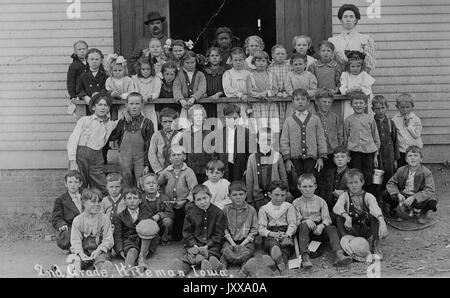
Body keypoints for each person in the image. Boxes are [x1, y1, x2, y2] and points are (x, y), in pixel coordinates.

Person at [293, 174, 352, 268]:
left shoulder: (321, 201)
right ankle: (305, 258)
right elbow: (295, 220)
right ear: (299, 187)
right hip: (304, 232)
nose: (307, 189)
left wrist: (322, 225)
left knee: (332, 228)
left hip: (319, 229)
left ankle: (339, 254)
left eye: (310, 186)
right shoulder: (296, 203)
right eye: (304, 186)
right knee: (303, 226)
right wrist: (305, 220)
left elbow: (327, 218)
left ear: (315, 187)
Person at [67, 92, 118, 195]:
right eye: (100, 105)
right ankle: (79, 209)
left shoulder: (110, 124)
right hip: (81, 155)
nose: (103, 108)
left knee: (101, 186)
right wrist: (72, 160)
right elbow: (73, 140)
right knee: (79, 184)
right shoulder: (85, 120)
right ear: (94, 107)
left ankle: (102, 208)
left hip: (97, 156)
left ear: (108, 108)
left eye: (105, 105)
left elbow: (120, 121)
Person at [280, 88, 327, 197]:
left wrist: (321, 157)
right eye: (297, 99)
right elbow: (284, 140)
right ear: (293, 102)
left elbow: (321, 138)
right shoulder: (289, 120)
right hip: (295, 159)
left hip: (312, 158)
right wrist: (287, 159)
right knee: (297, 183)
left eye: (303, 99)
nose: (300, 101)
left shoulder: (315, 119)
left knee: (311, 182)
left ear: (308, 102)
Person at [171, 185, 227, 276]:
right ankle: (180, 272)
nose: (203, 202)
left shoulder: (218, 213)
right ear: (194, 202)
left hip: (211, 244)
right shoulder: (191, 214)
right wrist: (194, 245)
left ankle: (216, 269)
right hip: (195, 244)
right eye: (199, 200)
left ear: (210, 197)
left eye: (205, 198)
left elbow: (219, 234)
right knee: (190, 257)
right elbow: (187, 233)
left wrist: (208, 246)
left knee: (212, 255)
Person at [333, 169, 388, 259]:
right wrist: (346, 217)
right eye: (350, 183)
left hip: (364, 229)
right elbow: (337, 207)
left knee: (375, 217)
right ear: (347, 184)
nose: (354, 185)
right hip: (350, 229)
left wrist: (382, 222)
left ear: (362, 182)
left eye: (356, 182)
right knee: (339, 217)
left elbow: (375, 208)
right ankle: (346, 243)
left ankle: (375, 245)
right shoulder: (344, 195)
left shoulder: (368, 196)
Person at [380, 145, 438, 224]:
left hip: (418, 197)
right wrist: (397, 194)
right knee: (385, 194)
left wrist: (415, 197)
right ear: (406, 159)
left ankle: (423, 213)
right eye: (410, 156)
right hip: (404, 195)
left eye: (416, 155)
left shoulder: (426, 172)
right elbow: (391, 183)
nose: (413, 158)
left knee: (432, 201)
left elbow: (430, 189)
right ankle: (396, 209)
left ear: (421, 159)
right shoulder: (401, 170)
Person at [109, 92, 154, 188]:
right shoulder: (122, 122)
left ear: (142, 105)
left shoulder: (147, 122)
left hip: (140, 159)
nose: (134, 107)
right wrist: (119, 120)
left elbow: (149, 145)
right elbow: (112, 136)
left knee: (141, 183)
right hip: (125, 159)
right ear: (126, 105)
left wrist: (147, 164)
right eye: (131, 104)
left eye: (137, 104)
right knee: (125, 183)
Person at [69, 188, 114, 276]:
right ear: (84, 203)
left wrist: (98, 250)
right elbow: (75, 241)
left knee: (101, 261)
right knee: (76, 261)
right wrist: (81, 253)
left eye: (99, 202)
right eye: (93, 202)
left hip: (100, 251)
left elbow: (108, 239)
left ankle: (103, 272)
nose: (97, 204)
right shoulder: (78, 220)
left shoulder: (104, 219)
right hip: (84, 251)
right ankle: (74, 271)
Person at [158, 145, 198, 241]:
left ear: (184, 157)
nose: (176, 157)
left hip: (183, 205)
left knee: (179, 235)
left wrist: (185, 200)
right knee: (174, 234)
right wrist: (163, 198)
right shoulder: (166, 172)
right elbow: (159, 185)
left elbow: (194, 190)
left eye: (179, 155)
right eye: (173, 155)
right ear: (170, 158)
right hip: (169, 206)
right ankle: (165, 234)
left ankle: (189, 234)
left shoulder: (188, 172)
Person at [113, 187, 159, 270]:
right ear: (124, 200)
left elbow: (153, 231)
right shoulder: (120, 216)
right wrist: (120, 250)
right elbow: (117, 234)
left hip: (143, 240)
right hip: (128, 240)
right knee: (132, 251)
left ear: (140, 200)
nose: (132, 201)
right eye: (129, 198)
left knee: (143, 252)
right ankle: (129, 269)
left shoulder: (146, 214)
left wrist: (150, 248)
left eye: (135, 198)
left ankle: (142, 262)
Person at [220, 181, 259, 277]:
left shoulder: (251, 210)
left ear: (246, 194)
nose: (238, 197)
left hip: (246, 241)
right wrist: (232, 243)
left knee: (247, 253)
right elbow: (223, 228)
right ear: (229, 196)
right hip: (230, 240)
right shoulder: (225, 210)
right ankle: (222, 269)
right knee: (225, 252)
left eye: (241, 194)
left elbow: (254, 230)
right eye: (235, 195)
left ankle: (244, 270)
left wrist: (242, 244)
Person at [258, 180, 297, 275]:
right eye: (276, 195)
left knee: (287, 248)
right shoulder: (264, 209)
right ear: (269, 194)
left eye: (283, 195)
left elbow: (292, 224)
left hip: (285, 232)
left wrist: (288, 234)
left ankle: (276, 264)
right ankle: (277, 257)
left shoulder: (289, 207)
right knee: (272, 244)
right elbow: (261, 229)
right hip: (271, 233)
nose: (280, 198)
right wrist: (271, 234)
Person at [344, 91, 380, 189]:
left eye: (361, 103)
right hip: (354, 152)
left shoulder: (370, 119)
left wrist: (376, 155)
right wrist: (346, 153)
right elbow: (345, 137)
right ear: (351, 105)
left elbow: (375, 136)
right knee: (356, 175)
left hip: (368, 152)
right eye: (355, 103)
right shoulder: (348, 120)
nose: (358, 105)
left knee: (368, 175)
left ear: (365, 104)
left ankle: (368, 196)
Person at [246, 127, 288, 211]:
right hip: (258, 198)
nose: (266, 143)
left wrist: (285, 193)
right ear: (257, 140)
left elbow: (283, 177)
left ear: (273, 141)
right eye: (263, 140)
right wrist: (249, 199)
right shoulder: (252, 158)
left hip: (275, 197)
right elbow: (249, 180)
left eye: (269, 140)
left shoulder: (278, 156)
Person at [328, 3, 376, 73]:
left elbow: (370, 66)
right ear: (341, 20)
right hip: (340, 80)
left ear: (356, 20)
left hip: (360, 80)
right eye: (345, 17)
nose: (348, 19)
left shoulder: (366, 39)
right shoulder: (332, 41)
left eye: (351, 17)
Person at [213, 103, 254, 181]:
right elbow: (215, 153)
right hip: (224, 167)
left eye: (235, 118)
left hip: (240, 168)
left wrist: (247, 168)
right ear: (224, 118)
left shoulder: (246, 132)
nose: (232, 121)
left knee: (238, 188)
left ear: (239, 118)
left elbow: (250, 153)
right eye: (229, 118)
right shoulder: (219, 133)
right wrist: (217, 168)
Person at [246, 50, 279, 131]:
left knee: (271, 128)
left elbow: (275, 89)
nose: (261, 63)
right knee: (258, 128)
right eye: (258, 61)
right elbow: (249, 91)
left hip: (270, 105)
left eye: (263, 61)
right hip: (257, 105)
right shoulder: (250, 76)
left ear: (267, 62)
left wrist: (266, 93)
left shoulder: (271, 75)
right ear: (254, 62)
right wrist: (258, 95)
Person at [173, 51, 207, 130]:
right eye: (187, 62)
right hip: (184, 106)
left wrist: (194, 98)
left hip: (197, 105)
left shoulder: (200, 74)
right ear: (183, 62)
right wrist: (181, 100)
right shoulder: (179, 74)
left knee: (198, 126)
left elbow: (202, 88)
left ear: (196, 62)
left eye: (192, 62)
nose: (190, 65)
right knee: (185, 128)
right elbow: (176, 88)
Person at [372, 95, 400, 189]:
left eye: (383, 108)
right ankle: (378, 198)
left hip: (389, 155)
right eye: (377, 109)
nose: (380, 111)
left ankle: (388, 198)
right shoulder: (371, 122)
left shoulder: (390, 123)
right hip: (377, 154)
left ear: (387, 107)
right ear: (373, 109)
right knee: (377, 177)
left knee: (389, 176)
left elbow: (395, 141)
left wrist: (395, 159)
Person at [51, 170, 83, 250]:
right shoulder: (60, 200)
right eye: (70, 182)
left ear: (80, 184)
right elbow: (56, 218)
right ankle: (73, 246)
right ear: (66, 184)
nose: (73, 185)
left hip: (86, 226)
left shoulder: (86, 196)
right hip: (71, 227)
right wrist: (61, 224)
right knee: (65, 235)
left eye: (76, 182)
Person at [140, 173, 175, 245]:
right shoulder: (140, 199)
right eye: (148, 183)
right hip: (146, 223)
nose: (151, 185)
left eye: (154, 183)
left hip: (160, 223)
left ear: (158, 186)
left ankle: (164, 239)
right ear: (143, 187)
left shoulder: (165, 197)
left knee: (168, 221)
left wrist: (159, 215)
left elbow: (171, 214)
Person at [182, 104, 213, 183]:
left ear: (204, 117)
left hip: (206, 170)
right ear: (191, 117)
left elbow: (214, 153)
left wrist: (212, 168)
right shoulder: (185, 134)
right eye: (196, 115)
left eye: (200, 115)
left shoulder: (209, 133)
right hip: (191, 169)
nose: (198, 117)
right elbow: (183, 153)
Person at [391, 93, 423, 168]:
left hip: (414, 150)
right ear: (397, 107)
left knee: (414, 169)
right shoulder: (394, 120)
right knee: (402, 169)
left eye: (407, 107)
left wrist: (409, 126)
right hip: (401, 150)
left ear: (412, 107)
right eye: (402, 107)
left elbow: (416, 136)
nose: (405, 110)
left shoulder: (416, 119)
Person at [315, 89, 344, 169]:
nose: (327, 104)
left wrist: (339, 150)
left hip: (333, 153)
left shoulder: (335, 117)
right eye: (324, 102)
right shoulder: (313, 118)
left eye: (329, 102)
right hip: (319, 154)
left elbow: (340, 134)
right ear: (317, 102)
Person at [317, 146, 351, 213]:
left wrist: (344, 192)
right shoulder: (328, 173)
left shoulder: (352, 174)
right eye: (337, 157)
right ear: (333, 160)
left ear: (348, 159)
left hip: (345, 209)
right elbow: (322, 190)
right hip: (328, 208)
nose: (340, 159)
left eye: (343, 156)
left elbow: (357, 192)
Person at [148, 107, 181, 174]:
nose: (168, 124)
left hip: (176, 170)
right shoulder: (156, 135)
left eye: (170, 121)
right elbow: (152, 153)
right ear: (161, 122)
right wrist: (158, 170)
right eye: (165, 122)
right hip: (160, 169)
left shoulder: (180, 135)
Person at [131, 57, 162, 129]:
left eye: (148, 69)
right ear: (139, 69)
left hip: (151, 108)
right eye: (143, 69)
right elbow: (134, 91)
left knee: (152, 127)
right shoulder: (135, 79)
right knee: (139, 129)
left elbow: (156, 92)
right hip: (138, 108)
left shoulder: (156, 79)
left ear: (151, 69)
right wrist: (140, 99)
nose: (145, 71)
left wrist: (150, 96)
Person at [222, 47, 251, 121]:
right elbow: (227, 89)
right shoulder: (228, 73)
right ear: (231, 61)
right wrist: (239, 95)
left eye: (240, 60)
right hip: (233, 104)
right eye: (235, 60)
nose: (238, 62)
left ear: (244, 60)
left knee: (247, 124)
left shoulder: (248, 73)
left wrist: (248, 95)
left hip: (246, 103)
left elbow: (251, 87)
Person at [268, 44, 291, 126]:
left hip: (287, 95)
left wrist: (286, 91)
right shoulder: (269, 67)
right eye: (278, 54)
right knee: (276, 120)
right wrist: (276, 91)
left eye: (283, 54)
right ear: (272, 55)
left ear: (286, 55)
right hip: (275, 96)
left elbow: (291, 80)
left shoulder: (290, 67)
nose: (280, 56)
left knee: (287, 118)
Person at [203, 47, 226, 118]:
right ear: (208, 58)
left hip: (221, 99)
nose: (214, 58)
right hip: (207, 100)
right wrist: (204, 93)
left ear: (221, 58)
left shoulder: (225, 71)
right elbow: (202, 85)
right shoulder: (204, 72)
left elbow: (227, 86)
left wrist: (219, 94)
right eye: (212, 56)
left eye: (217, 55)